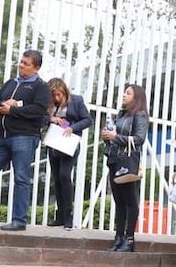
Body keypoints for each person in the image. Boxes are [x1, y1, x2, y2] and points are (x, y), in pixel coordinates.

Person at [0, 50, 50, 230]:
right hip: (3, 138)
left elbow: (38, 110)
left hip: (25, 137)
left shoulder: (40, 87)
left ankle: (19, 220)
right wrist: (3, 105)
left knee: (21, 177)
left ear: (36, 68)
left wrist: (14, 109)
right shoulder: (10, 83)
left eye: (26, 63)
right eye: (21, 62)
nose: (21, 65)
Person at [102, 84, 149, 252]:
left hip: (127, 161)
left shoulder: (140, 115)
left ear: (136, 98)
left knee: (130, 200)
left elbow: (139, 139)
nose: (123, 95)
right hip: (114, 159)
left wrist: (116, 136)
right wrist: (108, 136)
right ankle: (118, 236)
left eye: (128, 93)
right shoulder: (121, 114)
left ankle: (129, 238)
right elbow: (115, 137)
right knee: (119, 201)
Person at [46, 77, 93, 229]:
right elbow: (39, 118)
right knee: (57, 178)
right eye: (54, 96)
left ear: (65, 92)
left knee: (65, 176)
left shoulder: (77, 101)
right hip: (54, 143)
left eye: (59, 95)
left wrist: (72, 127)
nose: (57, 98)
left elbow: (87, 120)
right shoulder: (48, 104)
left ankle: (68, 216)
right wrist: (51, 119)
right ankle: (59, 216)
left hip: (69, 143)